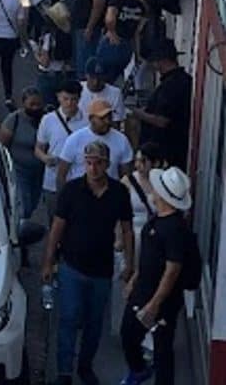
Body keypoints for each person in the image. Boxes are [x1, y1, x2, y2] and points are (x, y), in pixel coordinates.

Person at [41, 141, 134, 385]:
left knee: (94, 324)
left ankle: (85, 366)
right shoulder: (71, 191)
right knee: (69, 318)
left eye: (98, 163)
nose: (93, 168)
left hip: (102, 270)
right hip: (71, 266)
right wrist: (48, 263)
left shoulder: (118, 193)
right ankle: (64, 371)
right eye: (89, 163)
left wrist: (130, 263)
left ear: (107, 164)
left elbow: (127, 230)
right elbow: (57, 229)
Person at [119, 167, 191, 385]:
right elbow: (148, 258)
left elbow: (172, 270)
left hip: (159, 300)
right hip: (142, 290)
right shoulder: (156, 220)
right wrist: (134, 279)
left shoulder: (175, 229)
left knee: (162, 348)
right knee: (128, 333)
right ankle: (139, 370)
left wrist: (154, 304)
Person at [130, 40, 193, 169]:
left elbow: (162, 120)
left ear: (162, 61)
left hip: (164, 152)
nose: (153, 65)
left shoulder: (171, 86)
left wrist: (137, 113)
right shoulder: (184, 80)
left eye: (155, 61)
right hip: (177, 149)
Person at [35, 80, 88, 218]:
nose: (69, 103)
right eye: (65, 99)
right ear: (58, 97)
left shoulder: (87, 121)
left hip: (79, 180)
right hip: (53, 181)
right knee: (55, 219)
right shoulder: (47, 120)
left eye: (74, 99)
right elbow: (39, 148)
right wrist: (45, 158)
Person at [0, 87, 46, 220]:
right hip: (19, 170)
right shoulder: (13, 120)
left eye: (38, 104)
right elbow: (1, 145)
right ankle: (18, 231)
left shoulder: (47, 120)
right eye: (32, 104)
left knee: (33, 202)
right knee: (24, 205)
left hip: (40, 171)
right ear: (24, 104)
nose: (35, 108)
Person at [57, 98, 134, 183]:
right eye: (102, 118)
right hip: (81, 192)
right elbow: (61, 174)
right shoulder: (75, 139)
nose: (107, 121)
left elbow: (127, 175)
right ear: (91, 119)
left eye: (109, 117)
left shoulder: (121, 140)